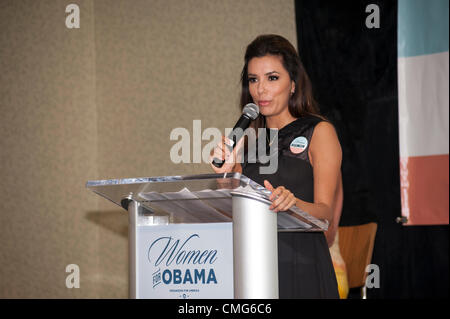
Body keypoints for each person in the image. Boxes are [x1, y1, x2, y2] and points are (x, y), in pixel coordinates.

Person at [210, 34, 342, 298]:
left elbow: (326, 216)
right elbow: (231, 217)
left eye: (272, 78)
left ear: (293, 84)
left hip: (302, 263)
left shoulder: (319, 131)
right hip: (252, 268)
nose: (260, 89)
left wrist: (292, 204)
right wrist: (228, 175)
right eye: (253, 80)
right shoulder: (245, 145)